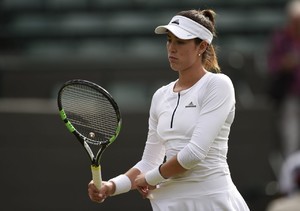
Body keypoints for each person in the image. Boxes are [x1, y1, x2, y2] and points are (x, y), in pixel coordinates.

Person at [88, 9, 250, 211]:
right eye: (169, 40)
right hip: (169, 203)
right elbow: (149, 161)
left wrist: (150, 178)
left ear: (202, 46)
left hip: (212, 201)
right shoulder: (160, 95)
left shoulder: (218, 85)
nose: (172, 48)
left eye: (180, 42)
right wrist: (111, 186)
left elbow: (194, 154)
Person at [267, 0, 300, 157]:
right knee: (291, 135)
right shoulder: (282, 39)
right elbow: (272, 65)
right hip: (291, 94)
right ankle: (291, 173)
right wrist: (285, 64)